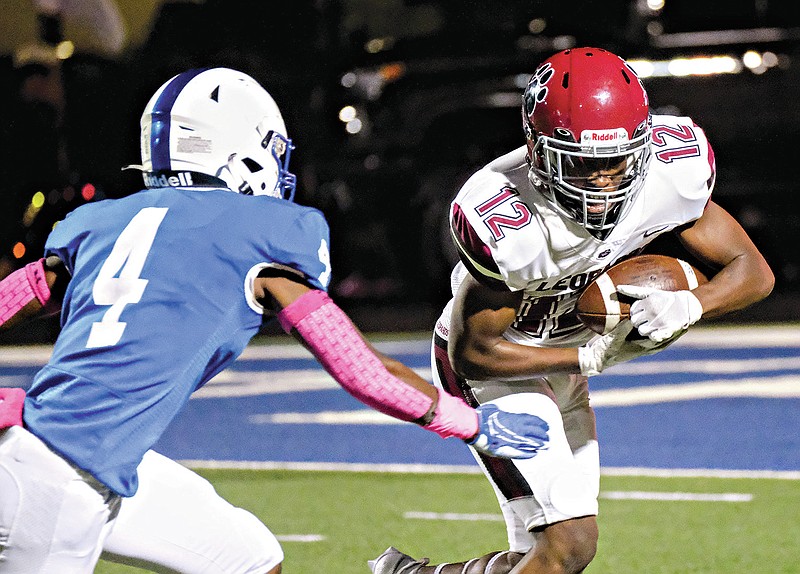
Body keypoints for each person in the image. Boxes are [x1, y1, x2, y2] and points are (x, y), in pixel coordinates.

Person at [0, 67, 551, 574]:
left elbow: (12, 298)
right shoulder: (259, 231)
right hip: (58, 479)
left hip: (76, 456)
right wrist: (469, 423)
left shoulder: (99, 221)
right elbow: (359, 368)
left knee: (251, 559)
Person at [369, 47, 774, 574]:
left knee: (536, 558)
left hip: (564, 361)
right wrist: (588, 358)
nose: (605, 181)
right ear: (539, 153)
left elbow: (753, 271)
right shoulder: (507, 218)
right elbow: (475, 353)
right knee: (570, 546)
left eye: (618, 161)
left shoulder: (670, 175)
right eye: (584, 165)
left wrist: (692, 303)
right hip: (500, 369)